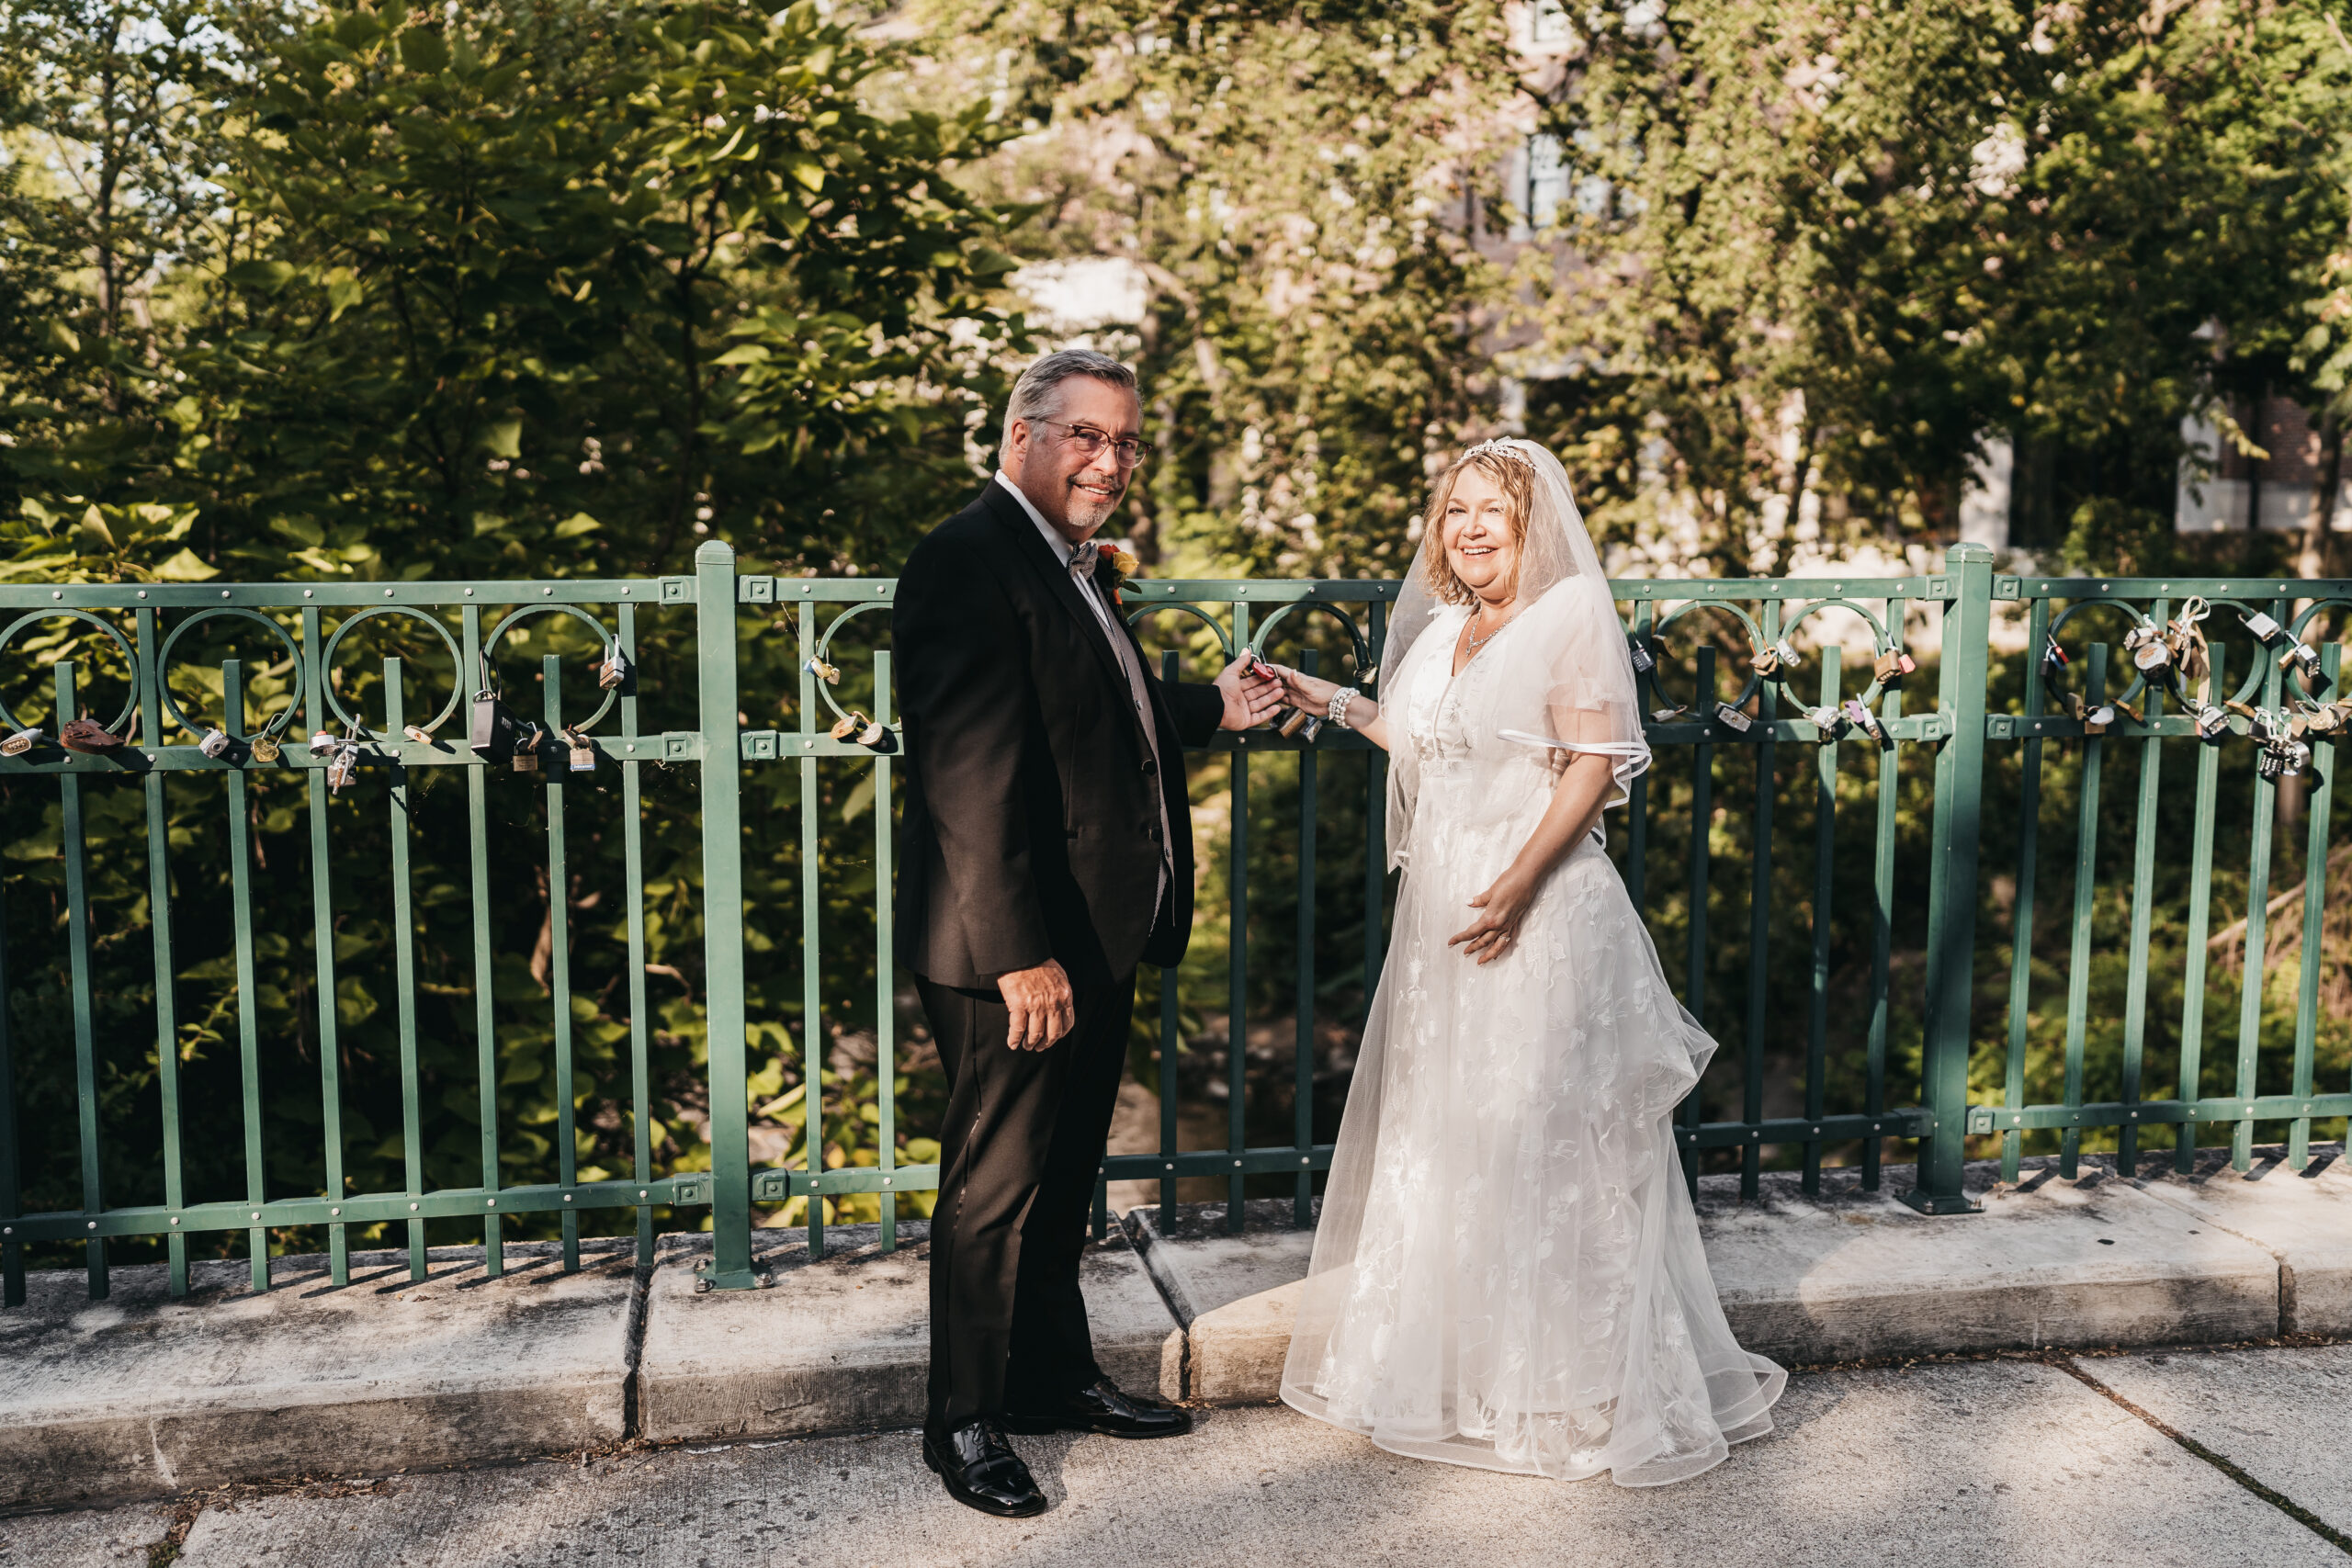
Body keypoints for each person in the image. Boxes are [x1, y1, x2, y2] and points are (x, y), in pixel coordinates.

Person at [1266, 436, 1786, 1486]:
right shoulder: (1451, 627)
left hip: (1537, 914)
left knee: (1553, 1151)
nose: (1466, 530)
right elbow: (1422, 744)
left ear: (1530, 524)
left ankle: (1568, 1388)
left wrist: (1512, 884)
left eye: (1488, 513)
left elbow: (1593, 766)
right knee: (1455, 1139)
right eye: (1454, 510)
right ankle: (1459, 1368)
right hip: (1444, 921)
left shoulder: (1567, 615)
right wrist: (1323, 697)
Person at [892, 348, 1283, 1517]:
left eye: (1124, 443)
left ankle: (1052, 1378)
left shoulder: (1068, 568)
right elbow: (970, 776)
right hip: (1012, 951)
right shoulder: (967, 561)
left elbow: (1093, 708)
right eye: (1085, 437)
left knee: (1063, 1182)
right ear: (1019, 437)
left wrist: (1211, 705)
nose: (1108, 463)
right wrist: (1018, 953)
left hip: (1095, 937)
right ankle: (962, 1419)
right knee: (994, 1189)